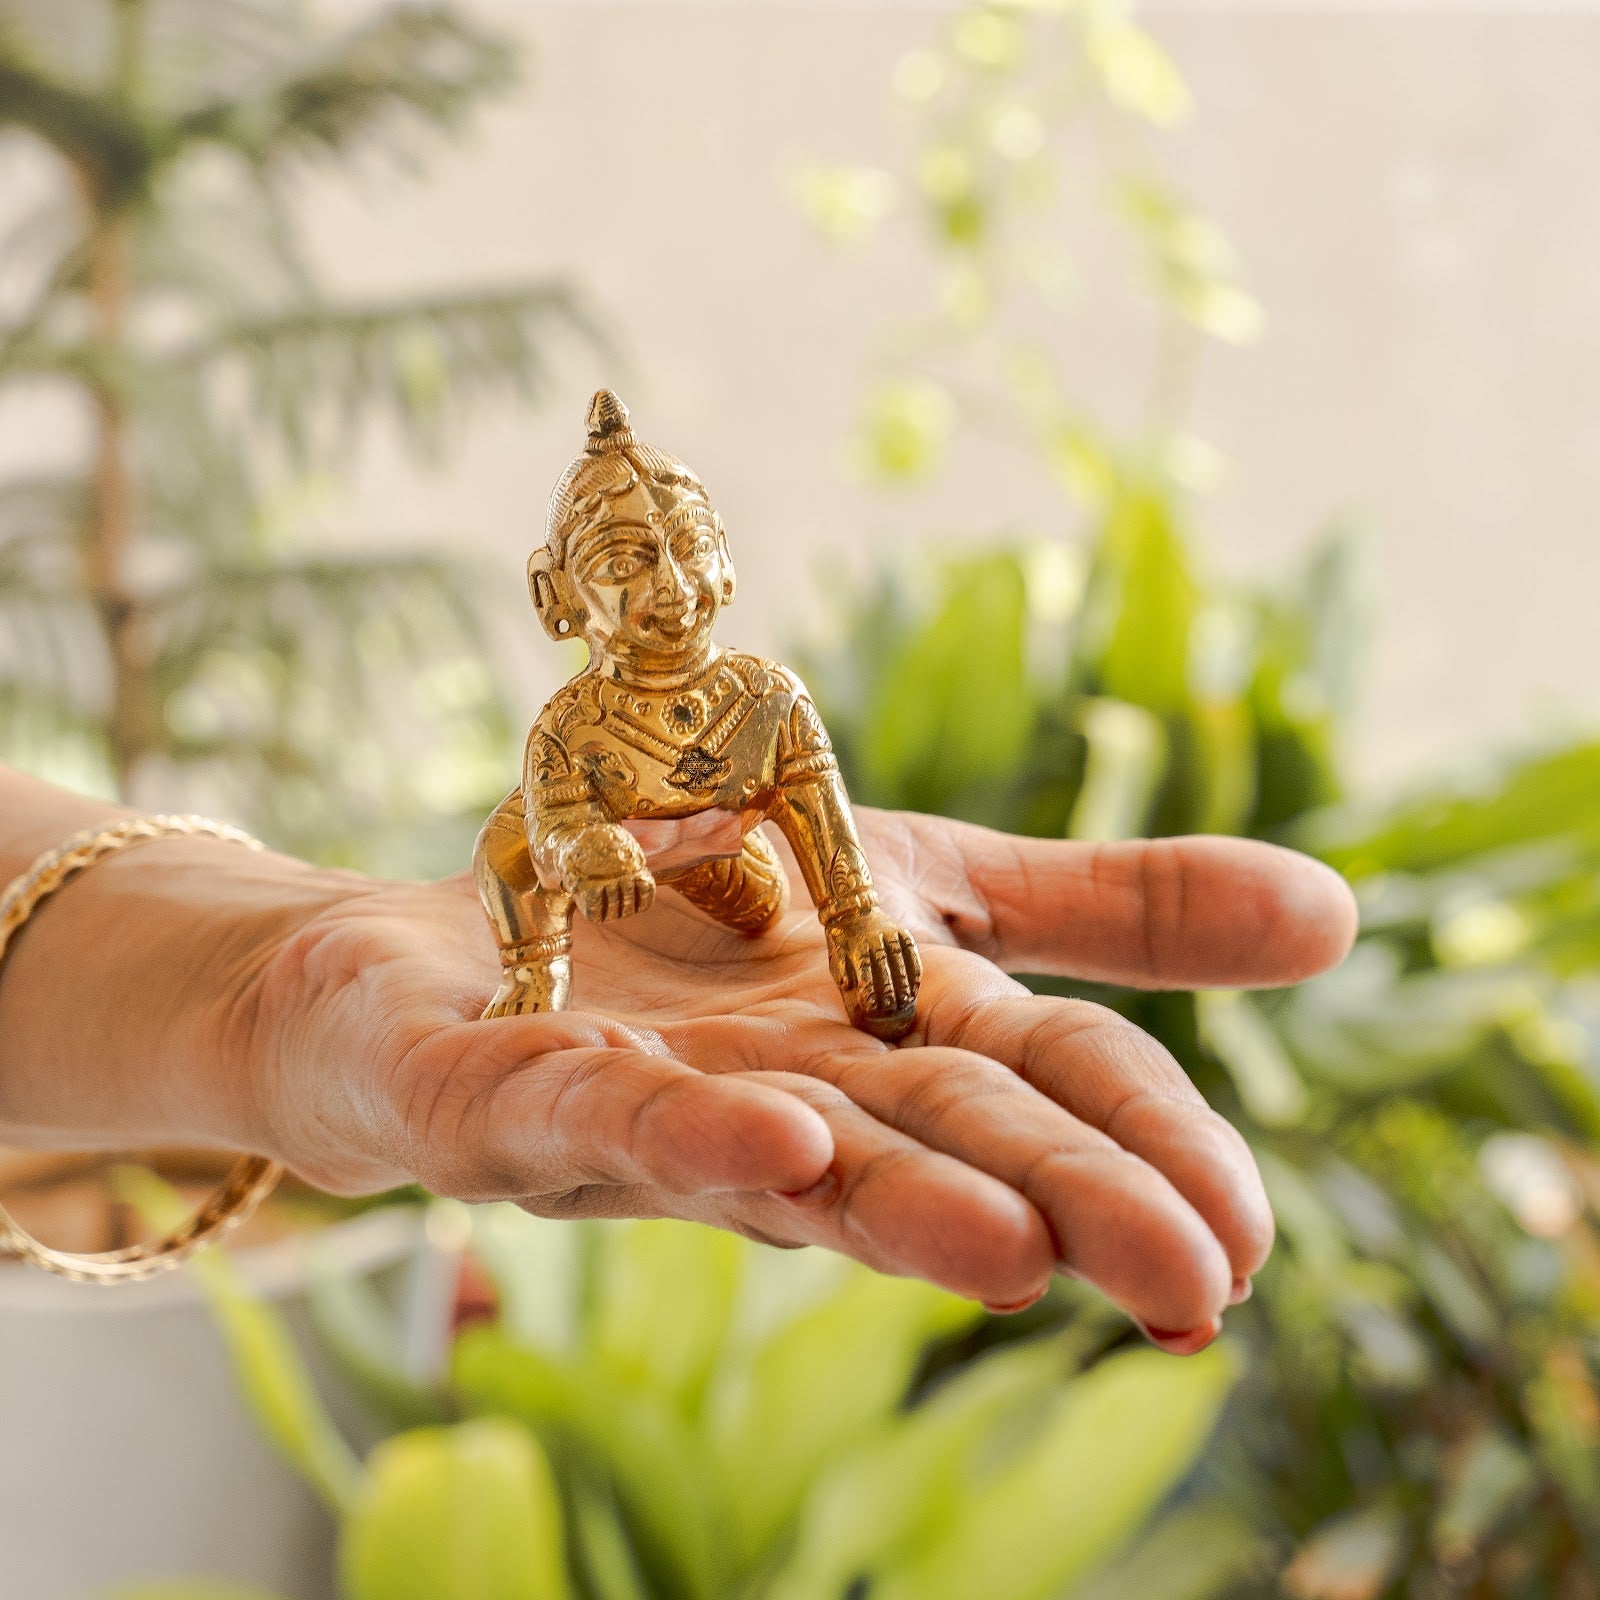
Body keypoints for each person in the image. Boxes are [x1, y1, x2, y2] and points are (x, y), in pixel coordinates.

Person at [0, 748, 1355, 1350]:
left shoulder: (751, 705)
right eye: (623, 566)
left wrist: (276, 984)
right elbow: (524, 851)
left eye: (679, 557)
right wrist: (528, 954)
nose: (660, 589)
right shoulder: (579, 739)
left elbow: (813, 826)